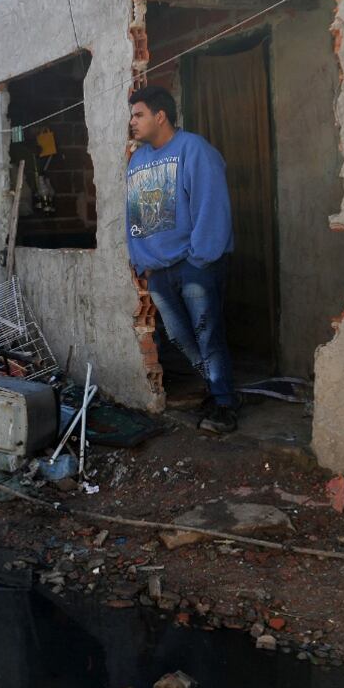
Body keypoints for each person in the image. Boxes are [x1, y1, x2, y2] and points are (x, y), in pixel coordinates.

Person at [125, 86, 237, 434]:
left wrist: (200, 258)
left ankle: (224, 404)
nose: (133, 122)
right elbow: (135, 217)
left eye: (139, 114)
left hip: (195, 263)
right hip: (158, 269)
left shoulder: (194, 149)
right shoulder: (137, 161)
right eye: (132, 116)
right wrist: (141, 260)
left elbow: (211, 205)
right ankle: (216, 389)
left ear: (160, 116)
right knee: (178, 337)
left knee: (208, 335)